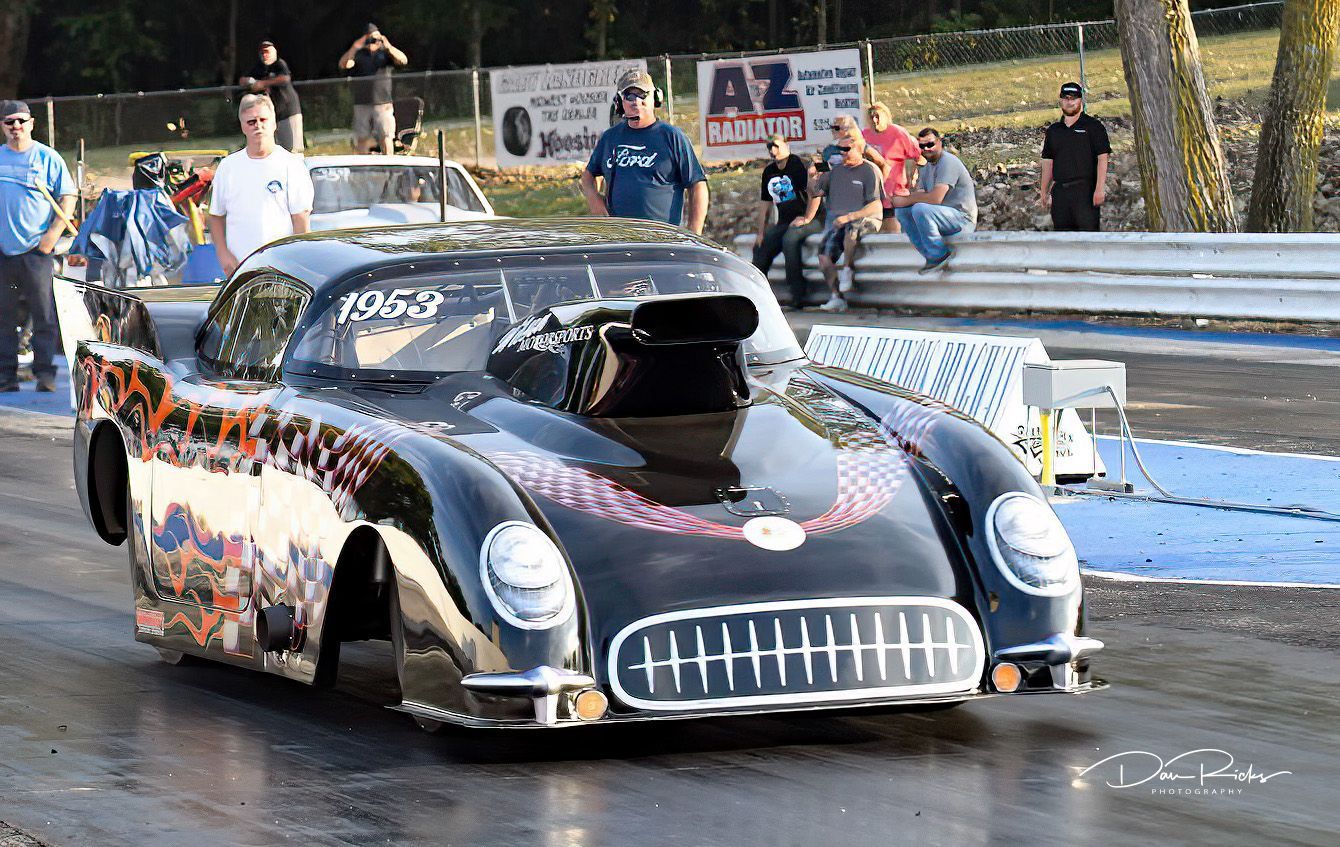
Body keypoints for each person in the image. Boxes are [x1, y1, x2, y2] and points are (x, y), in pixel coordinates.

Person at [0, 100, 76, 393]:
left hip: (37, 250)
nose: (16, 127)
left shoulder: (48, 158)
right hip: (3, 252)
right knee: (3, 317)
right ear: (3, 127)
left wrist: (51, 238)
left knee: (44, 314)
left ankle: (45, 374)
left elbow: (68, 197)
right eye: (9, 122)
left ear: (31, 123)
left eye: (21, 121)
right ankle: (6, 376)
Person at [581, 68, 708, 234]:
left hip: (662, 240)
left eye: (642, 95)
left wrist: (694, 234)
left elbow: (698, 185)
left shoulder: (672, 137)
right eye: (630, 96)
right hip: (619, 238)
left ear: (655, 98)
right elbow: (588, 176)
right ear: (620, 102)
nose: (636, 102)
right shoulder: (610, 138)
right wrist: (594, 199)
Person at [207, 94, 314, 277]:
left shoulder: (291, 165)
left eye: (263, 119)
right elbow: (216, 216)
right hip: (239, 269)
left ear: (273, 123)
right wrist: (223, 253)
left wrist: (297, 263)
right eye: (251, 122)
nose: (258, 126)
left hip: (282, 267)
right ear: (243, 126)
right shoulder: (228, 167)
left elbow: (301, 221)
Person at [792, 129, 882, 313]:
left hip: (864, 218)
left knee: (852, 228)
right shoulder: (835, 171)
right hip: (838, 221)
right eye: (839, 149)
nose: (842, 153)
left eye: (847, 149)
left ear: (858, 148)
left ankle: (848, 268)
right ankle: (836, 296)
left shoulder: (869, 170)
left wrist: (850, 216)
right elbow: (816, 193)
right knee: (824, 256)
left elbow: (875, 205)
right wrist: (812, 178)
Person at [892, 128, 977, 274]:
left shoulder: (948, 162)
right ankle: (929, 254)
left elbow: (935, 198)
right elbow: (919, 194)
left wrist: (905, 200)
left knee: (919, 208)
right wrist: (903, 201)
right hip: (940, 216)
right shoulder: (926, 167)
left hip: (962, 219)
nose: (926, 149)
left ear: (939, 143)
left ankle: (938, 254)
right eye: (922, 146)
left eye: (930, 144)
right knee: (902, 212)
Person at [751, 134, 820, 309]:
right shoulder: (769, 171)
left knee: (789, 240)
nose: (773, 151)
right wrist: (761, 232)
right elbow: (765, 203)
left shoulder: (800, 165)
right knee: (761, 247)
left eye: (776, 146)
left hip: (812, 219)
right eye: (769, 147)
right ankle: (757, 295)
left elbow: (817, 192)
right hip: (785, 221)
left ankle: (798, 294)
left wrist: (807, 217)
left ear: (787, 145)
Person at [1039, 81, 1111, 231]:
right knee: (1063, 241)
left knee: (1088, 239)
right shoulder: (1054, 131)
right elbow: (1048, 162)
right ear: (1060, 101)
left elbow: (1102, 158)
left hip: (1085, 191)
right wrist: (1044, 191)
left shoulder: (1093, 127)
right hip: (1060, 193)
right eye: (1066, 98)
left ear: (1081, 100)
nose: (1069, 102)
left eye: (1073, 98)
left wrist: (1099, 189)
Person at [339, 23, 408, 154]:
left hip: (383, 103)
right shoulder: (359, 55)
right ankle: (363, 167)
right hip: (362, 103)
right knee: (362, 137)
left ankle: (389, 165)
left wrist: (388, 46)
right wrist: (355, 46)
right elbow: (344, 64)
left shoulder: (386, 54)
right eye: (369, 38)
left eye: (375, 38)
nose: (372, 42)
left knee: (386, 136)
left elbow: (403, 60)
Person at [862, 102, 920, 234]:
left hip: (894, 191)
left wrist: (912, 178)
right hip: (871, 193)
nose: (874, 120)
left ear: (885, 116)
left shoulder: (898, 133)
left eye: (877, 116)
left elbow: (915, 157)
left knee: (893, 233)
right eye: (871, 117)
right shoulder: (864, 135)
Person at [241, 41, 304, 153]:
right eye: (262, 52)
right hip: (274, 115)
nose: (265, 55)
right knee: (275, 150)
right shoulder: (259, 68)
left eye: (267, 51)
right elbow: (242, 80)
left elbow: (285, 78)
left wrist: (262, 84)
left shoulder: (279, 64)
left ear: (274, 52)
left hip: (289, 113)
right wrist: (249, 82)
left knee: (293, 150)